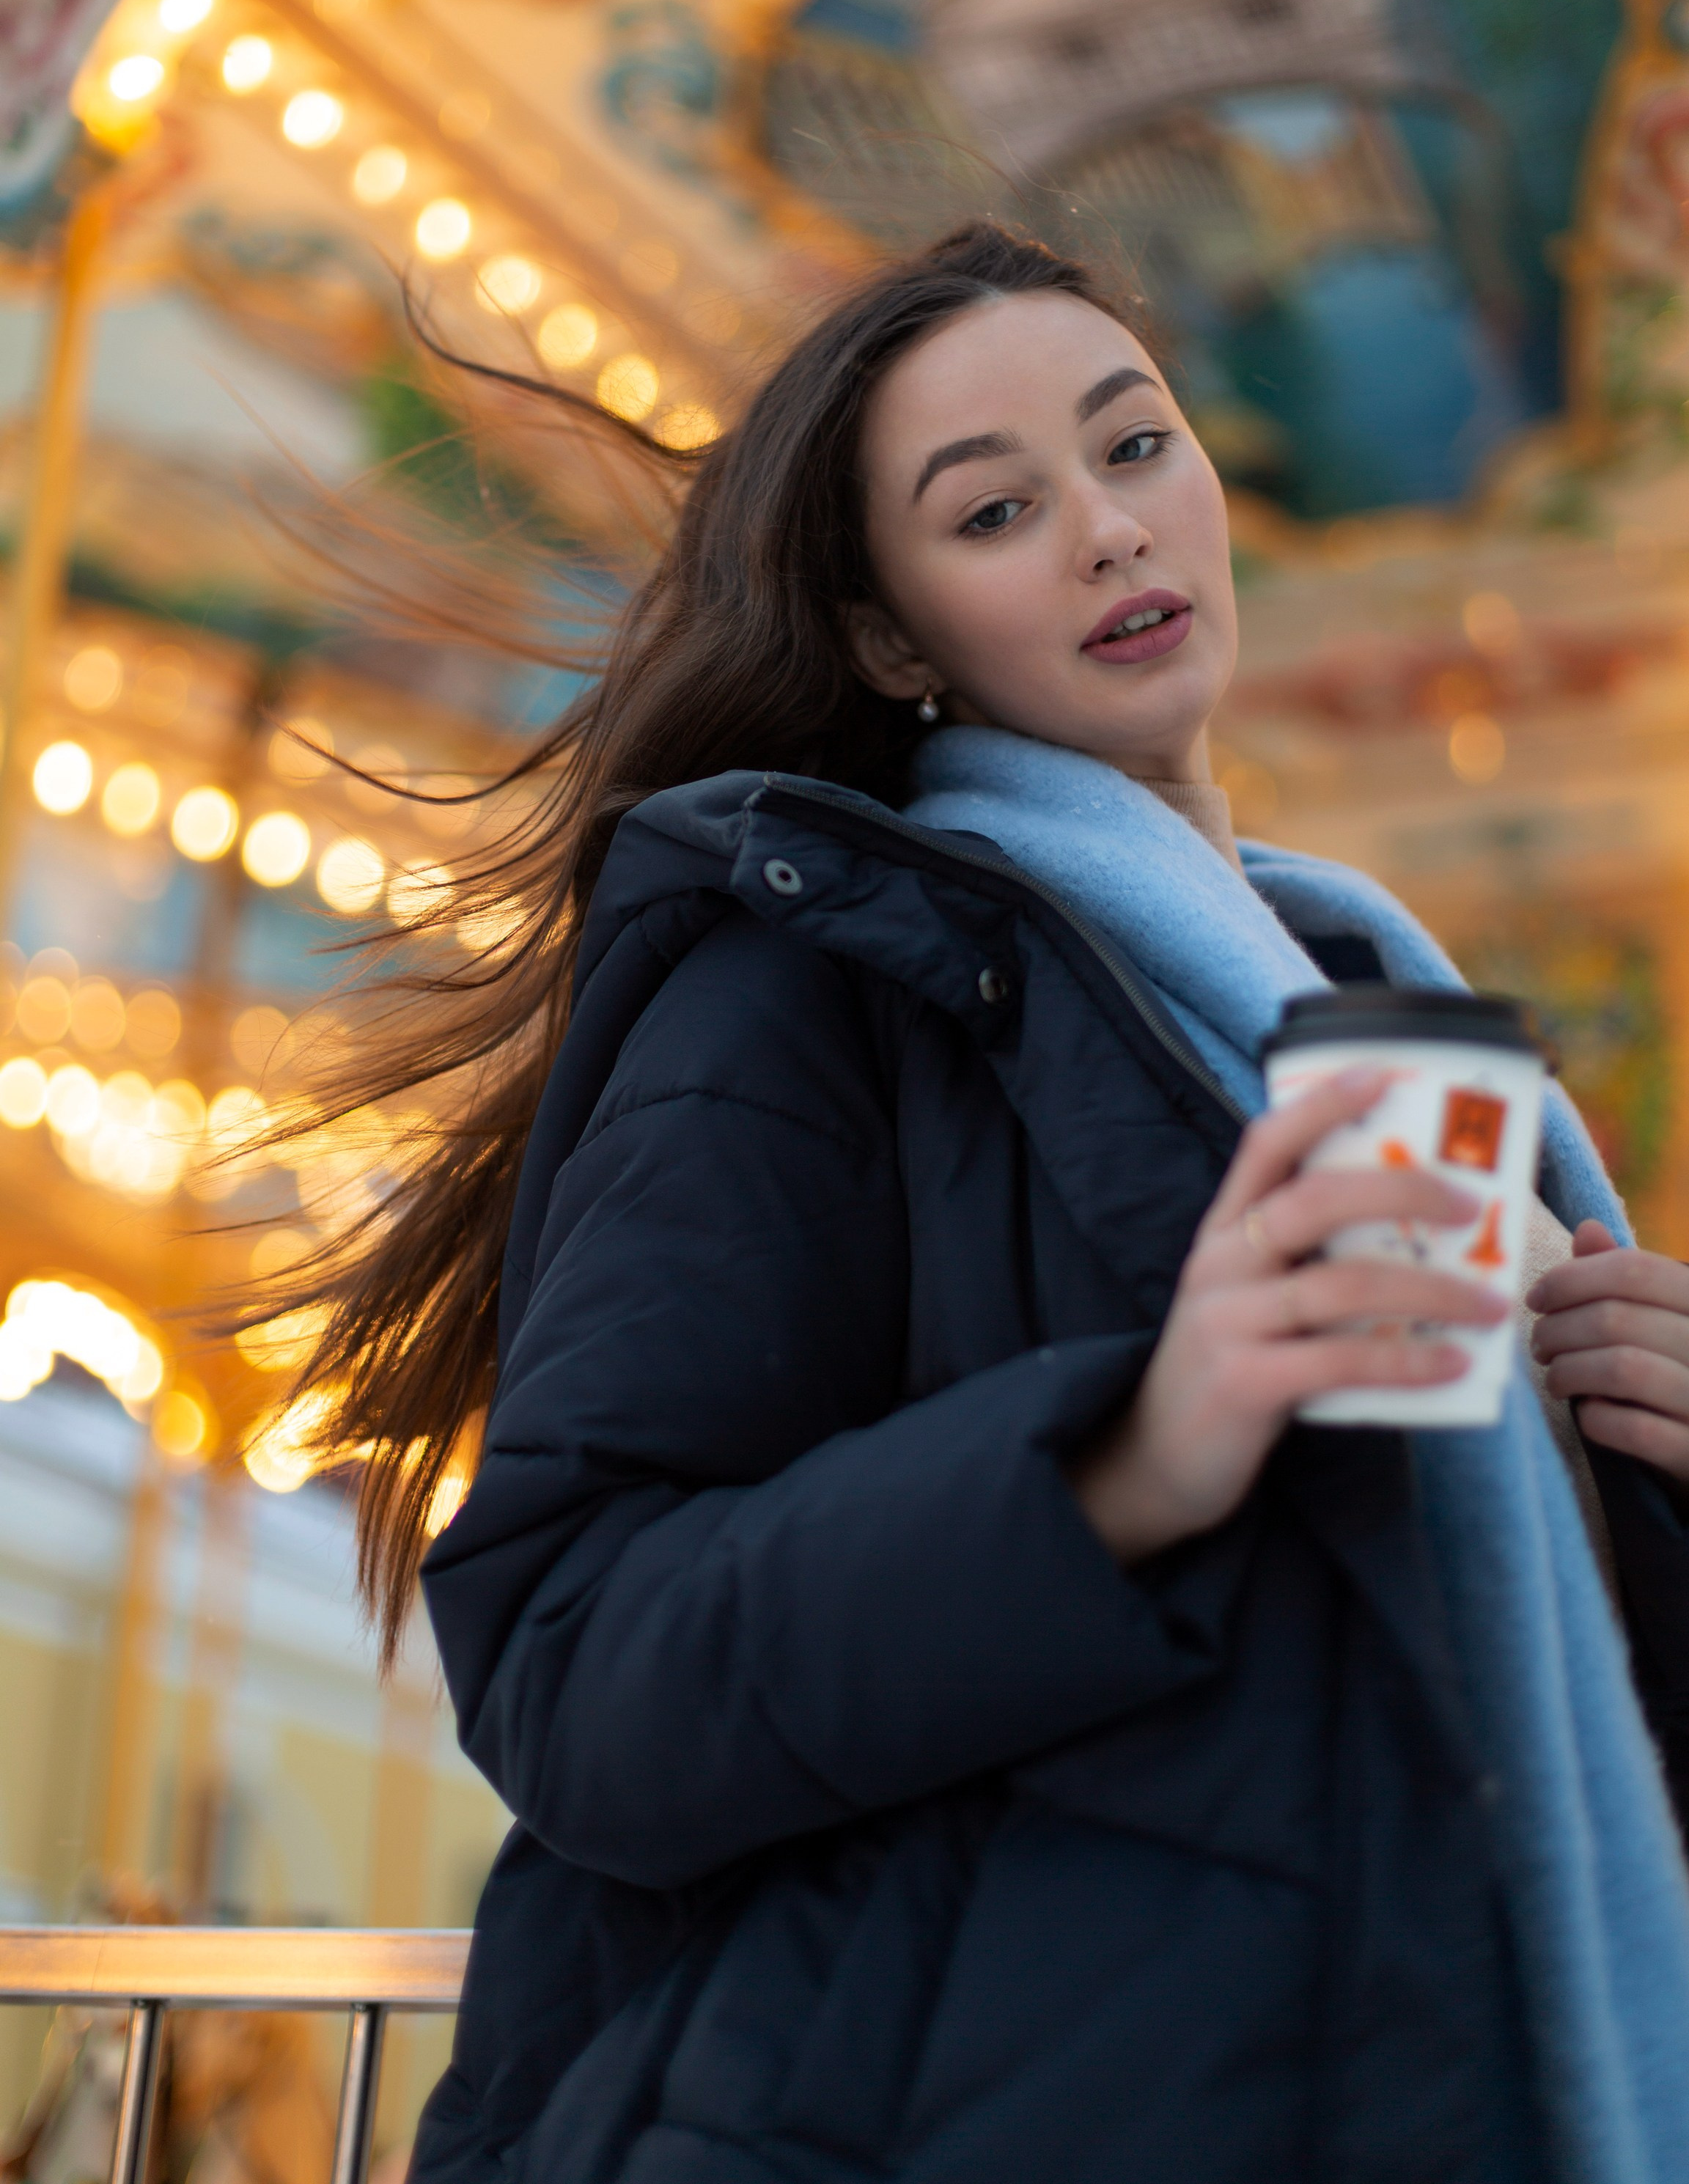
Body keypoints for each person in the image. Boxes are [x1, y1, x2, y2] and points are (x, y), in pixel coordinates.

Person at [286, 224, 1689, 2184]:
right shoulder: (806, 982)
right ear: (888, 636)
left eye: (1135, 447)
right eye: (996, 508)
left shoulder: (1363, 1012)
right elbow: (581, 1665)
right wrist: (1131, 1451)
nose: (1110, 530)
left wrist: (1648, 1476)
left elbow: (1477, 1716)